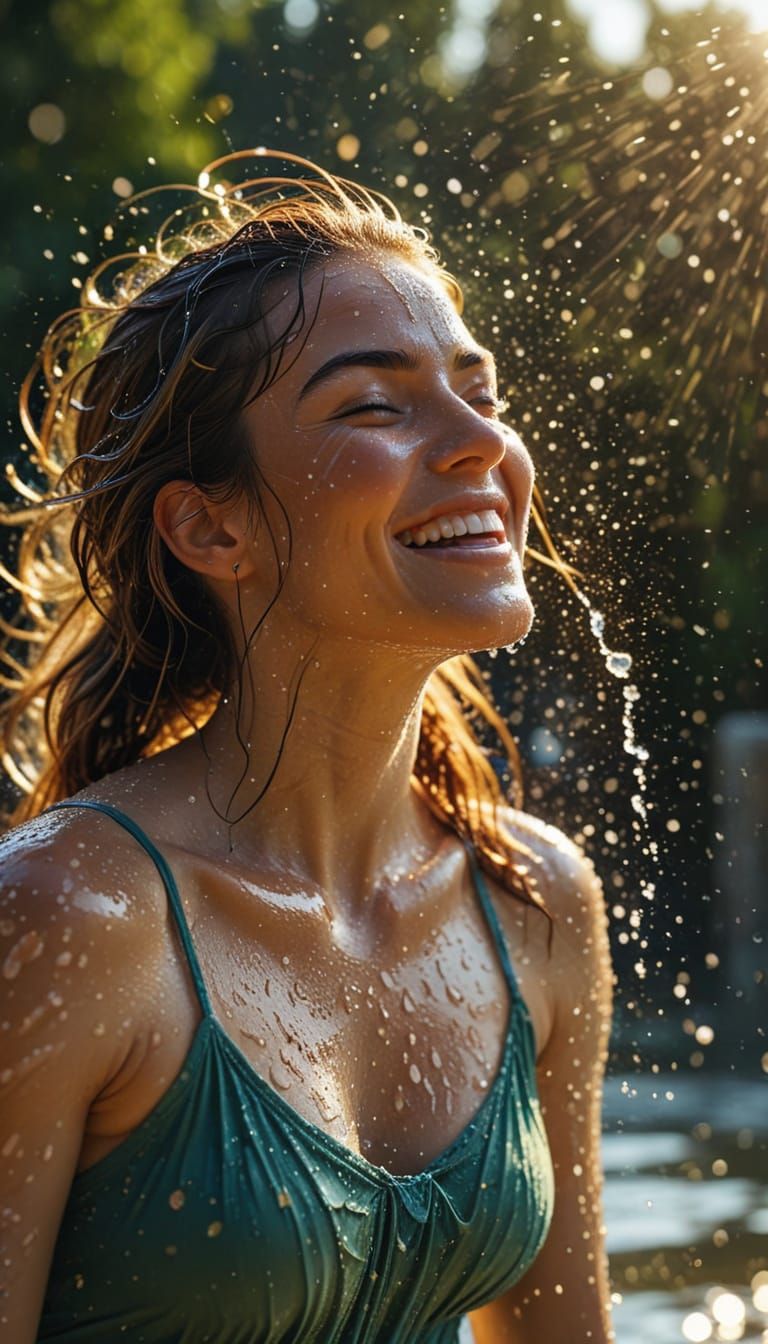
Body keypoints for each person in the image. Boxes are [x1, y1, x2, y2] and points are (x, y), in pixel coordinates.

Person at [0, 150, 614, 1343]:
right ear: (209, 527)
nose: (480, 444)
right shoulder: (67, 920)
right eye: (376, 405)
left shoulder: (533, 899)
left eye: (481, 394)